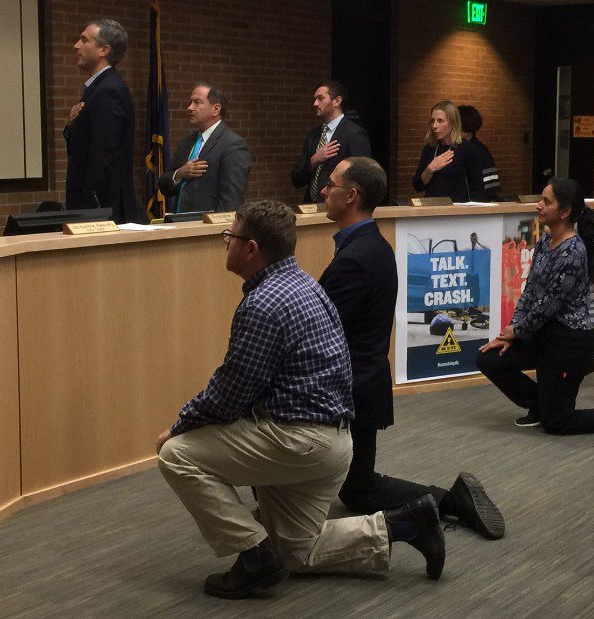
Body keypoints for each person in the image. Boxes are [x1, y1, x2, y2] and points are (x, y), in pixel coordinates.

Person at [156, 200, 446, 600]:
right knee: (296, 552)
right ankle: (406, 524)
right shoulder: (307, 285)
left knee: (176, 455)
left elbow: (229, 394)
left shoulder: (263, 304)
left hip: (298, 443)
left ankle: (254, 557)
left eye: (230, 236)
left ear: (251, 248)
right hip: (333, 444)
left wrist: (178, 426)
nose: (225, 242)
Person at [319, 156, 504, 540]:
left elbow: (318, 331)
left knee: (356, 487)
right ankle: (452, 500)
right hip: (364, 382)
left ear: (351, 196)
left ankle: (452, 501)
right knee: (357, 489)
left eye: (330, 184)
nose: (322, 191)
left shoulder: (355, 258)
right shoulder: (373, 245)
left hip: (348, 389)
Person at [476, 179, 594, 435]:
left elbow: (548, 304)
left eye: (547, 202)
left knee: (557, 423)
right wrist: (511, 331)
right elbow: (530, 292)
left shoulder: (573, 252)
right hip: (542, 334)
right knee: (489, 359)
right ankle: (541, 403)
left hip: (568, 344)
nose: (539, 205)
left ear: (565, 212)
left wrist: (518, 331)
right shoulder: (545, 241)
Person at [64, 19, 145, 224]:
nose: (76, 45)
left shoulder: (108, 91)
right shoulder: (98, 88)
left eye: (84, 40)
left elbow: (103, 158)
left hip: (101, 211)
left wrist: (87, 214)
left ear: (104, 50)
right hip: (96, 207)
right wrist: (71, 126)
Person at [160, 83, 251, 213]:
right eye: (190, 102)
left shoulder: (233, 145)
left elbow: (231, 201)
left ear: (216, 109)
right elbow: (164, 186)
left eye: (197, 102)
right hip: (178, 223)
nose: (189, 107)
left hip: (206, 224)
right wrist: (179, 174)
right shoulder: (187, 142)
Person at [290, 81, 371, 203]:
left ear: (337, 101)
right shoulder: (313, 136)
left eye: (320, 98)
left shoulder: (354, 134)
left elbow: (362, 176)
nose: (315, 103)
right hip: (311, 206)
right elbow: (296, 179)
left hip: (339, 206)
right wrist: (314, 160)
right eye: (315, 99)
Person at [412, 101, 484, 203]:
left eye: (440, 121)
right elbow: (418, 186)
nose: (434, 125)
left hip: (458, 210)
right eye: (432, 121)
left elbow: (478, 189)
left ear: (453, 123)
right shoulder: (429, 148)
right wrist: (430, 169)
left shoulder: (467, 148)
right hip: (432, 209)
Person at [457, 105, 501, 201]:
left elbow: (490, 188)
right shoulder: (456, 148)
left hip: (476, 203)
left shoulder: (480, 151)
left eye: (456, 124)